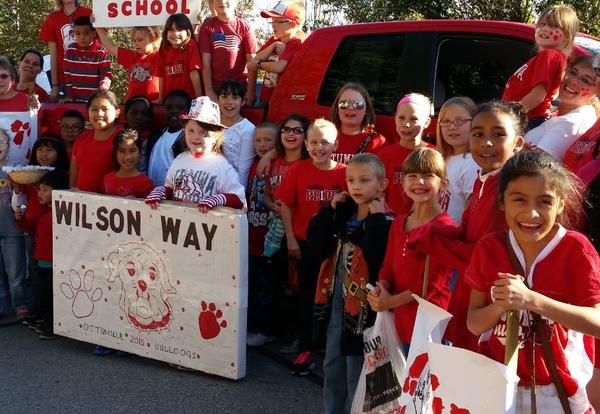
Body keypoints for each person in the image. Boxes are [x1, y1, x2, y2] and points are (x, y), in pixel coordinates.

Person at [466, 149, 600, 413]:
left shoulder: (576, 249)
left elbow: (596, 323)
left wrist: (532, 300)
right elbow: (473, 323)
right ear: (502, 201)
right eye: (519, 200)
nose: (532, 213)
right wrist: (500, 305)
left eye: (545, 202)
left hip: (558, 394)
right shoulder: (489, 247)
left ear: (561, 203)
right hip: (498, 388)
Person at [419, 101, 526, 351]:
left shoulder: (509, 191)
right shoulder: (482, 180)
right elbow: (465, 231)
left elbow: (483, 254)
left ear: (518, 143)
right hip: (471, 292)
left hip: (489, 302)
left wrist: (430, 241)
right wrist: (428, 228)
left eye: (498, 135)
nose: (486, 143)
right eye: (478, 134)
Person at [309, 153, 393, 413]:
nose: (356, 186)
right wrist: (330, 211)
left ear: (382, 185)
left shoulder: (386, 220)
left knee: (358, 367)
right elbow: (315, 244)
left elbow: (377, 258)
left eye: (364, 180)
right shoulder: (342, 213)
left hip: (364, 307)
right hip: (337, 297)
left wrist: (376, 221)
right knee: (332, 360)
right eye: (351, 180)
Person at [368, 148, 456, 354]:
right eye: (413, 176)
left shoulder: (445, 227)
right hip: (400, 319)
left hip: (429, 324)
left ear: (443, 182)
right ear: (404, 181)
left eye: (428, 176)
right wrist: (382, 287)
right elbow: (388, 264)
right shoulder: (399, 222)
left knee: (423, 383)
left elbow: (431, 285)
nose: (420, 182)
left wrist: (389, 301)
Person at [277, 118, 347, 375]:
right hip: (305, 243)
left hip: (334, 247)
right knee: (306, 296)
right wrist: (291, 239)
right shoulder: (298, 170)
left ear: (336, 145)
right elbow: (286, 205)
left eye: (325, 142)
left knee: (332, 298)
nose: (319, 147)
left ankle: (327, 344)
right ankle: (305, 346)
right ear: (306, 144)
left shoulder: (344, 173)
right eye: (314, 142)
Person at [145, 96, 245, 211]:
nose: (196, 137)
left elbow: (239, 200)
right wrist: (161, 191)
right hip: (180, 223)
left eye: (203, 132)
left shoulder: (221, 165)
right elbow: (171, 188)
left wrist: (219, 199)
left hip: (207, 226)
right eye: (191, 131)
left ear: (216, 136)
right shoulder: (179, 160)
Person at [263, 115, 310, 350]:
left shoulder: (307, 162)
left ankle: (298, 335)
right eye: (286, 130)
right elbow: (265, 194)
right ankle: (276, 331)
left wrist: (289, 211)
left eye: (297, 131)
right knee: (276, 280)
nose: (291, 134)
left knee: (297, 285)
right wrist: (275, 208)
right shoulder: (274, 160)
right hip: (275, 230)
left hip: (297, 231)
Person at [12, 137, 69, 327]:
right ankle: (37, 310)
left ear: (59, 154)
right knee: (36, 275)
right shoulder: (28, 176)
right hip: (34, 233)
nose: (44, 154)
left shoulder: (62, 176)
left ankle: (49, 318)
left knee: (50, 281)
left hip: (55, 238)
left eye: (50, 150)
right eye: (40, 150)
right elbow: (23, 202)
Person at [502, 4, 579, 129]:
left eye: (553, 26)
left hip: (527, 120)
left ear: (567, 35)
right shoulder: (552, 57)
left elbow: (538, 95)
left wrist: (511, 115)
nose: (545, 29)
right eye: (542, 24)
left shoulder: (549, 55)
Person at [525, 55, 599, 161]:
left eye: (585, 80)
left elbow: (532, 166)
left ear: (597, 92)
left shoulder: (571, 123)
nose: (573, 81)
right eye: (573, 72)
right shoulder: (575, 113)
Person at [27, 170, 69, 339]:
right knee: (45, 292)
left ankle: (53, 325)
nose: (40, 193)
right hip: (42, 260)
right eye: (40, 189)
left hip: (54, 262)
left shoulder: (61, 215)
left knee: (53, 295)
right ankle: (45, 320)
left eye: (45, 189)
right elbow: (29, 226)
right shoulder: (43, 212)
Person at [246, 122, 278, 347]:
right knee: (254, 283)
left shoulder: (277, 165)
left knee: (267, 286)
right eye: (258, 140)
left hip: (269, 238)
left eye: (268, 140)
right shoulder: (252, 166)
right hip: (251, 235)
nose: (262, 144)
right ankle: (253, 325)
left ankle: (266, 329)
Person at [377, 93, 434, 216]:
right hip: (391, 225)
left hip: (423, 224)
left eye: (414, 119)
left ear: (426, 122)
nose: (406, 124)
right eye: (401, 118)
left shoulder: (434, 155)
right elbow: (378, 193)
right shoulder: (384, 155)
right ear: (395, 118)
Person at [198, 0, 257, 105]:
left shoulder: (245, 27)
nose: (222, 1)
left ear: (236, 2)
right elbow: (205, 63)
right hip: (216, 88)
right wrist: (209, 91)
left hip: (239, 88)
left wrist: (251, 92)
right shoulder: (207, 27)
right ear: (213, 3)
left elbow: (252, 61)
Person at [249, 1, 305, 103]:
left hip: (279, 101)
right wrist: (272, 46)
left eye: (278, 21)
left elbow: (278, 67)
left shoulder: (295, 43)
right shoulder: (273, 41)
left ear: (293, 24)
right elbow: (255, 59)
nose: (273, 25)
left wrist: (259, 64)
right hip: (264, 98)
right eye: (272, 21)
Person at [435, 97, 479, 224]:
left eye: (459, 121)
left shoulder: (472, 164)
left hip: (455, 238)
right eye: (446, 121)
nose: (452, 127)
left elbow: (473, 213)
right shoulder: (441, 159)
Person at [0, 129, 28, 321]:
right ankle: (2, 307)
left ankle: (20, 306)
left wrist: (21, 202)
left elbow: (24, 199)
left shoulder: (16, 170)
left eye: (1, 142)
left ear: (9, 145)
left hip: (12, 229)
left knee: (15, 272)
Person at [39, 0, 92, 101]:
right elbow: (53, 54)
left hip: (89, 77)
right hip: (65, 80)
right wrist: (55, 85)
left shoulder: (89, 13)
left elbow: (99, 45)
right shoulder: (52, 18)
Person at [69, 90, 122, 192]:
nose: (99, 114)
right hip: (80, 203)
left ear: (117, 112)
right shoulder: (82, 138)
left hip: (110, 204)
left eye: (104, 109)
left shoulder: (124, 139)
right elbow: (73, 177)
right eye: (94, 109)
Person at [95, 26, 161, 102]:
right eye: (134, 40)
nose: (136, 43)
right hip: (132, 104)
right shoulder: (132, 56)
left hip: (152, 104)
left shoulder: (159, 56)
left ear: (153, 39)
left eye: (140, 40)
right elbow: (110, 47)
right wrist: (97, 26)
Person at [329, 82, 387, 164]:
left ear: (366, 110)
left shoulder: (378, 142)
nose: (351, 107)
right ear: (337, 108)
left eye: (358, 104)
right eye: (344, 103)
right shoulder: (325, 137)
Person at [146, 89, 192, 186]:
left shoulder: (188, 138)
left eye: (180, 107)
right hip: (151, 192)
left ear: (188, 111)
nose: (174, 111)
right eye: (169, 107)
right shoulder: (155, 135)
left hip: (172, 194)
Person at [63, 16, 111, 103]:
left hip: (94, 102)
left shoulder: (101, 52)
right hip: (75, 101)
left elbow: (106, 76)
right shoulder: (70, 50)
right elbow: (67, 77)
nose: (82, 37)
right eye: (78, 33)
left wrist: (100, 94)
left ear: (93, 34)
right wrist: (70, 96)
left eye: (86, 33)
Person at [218, 80, 256, 187]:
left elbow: (243, 169)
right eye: (224, 96)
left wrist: (238, 195)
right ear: (218, 99)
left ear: (243, 101)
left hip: (231, 184)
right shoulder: (209, 122)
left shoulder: (248, 129)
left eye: (235, 98)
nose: (229, 102)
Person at [158, 14, 202, 101]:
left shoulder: (190, 45)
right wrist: (160, 99)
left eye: (179, 29)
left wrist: (199, 99)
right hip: (169, 101)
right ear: (166, 33)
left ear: (188, 32)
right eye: (171, 30)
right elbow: (161, 76)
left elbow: (194, 72)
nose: (175, 33)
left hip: (188, 100)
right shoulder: (164, 49)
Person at [103, 129, 154, 198]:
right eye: (122, 151)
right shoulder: (107, 179)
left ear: (140, 152)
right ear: (115, 154)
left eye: (132, 151)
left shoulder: (145, 183)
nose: (128, 157)